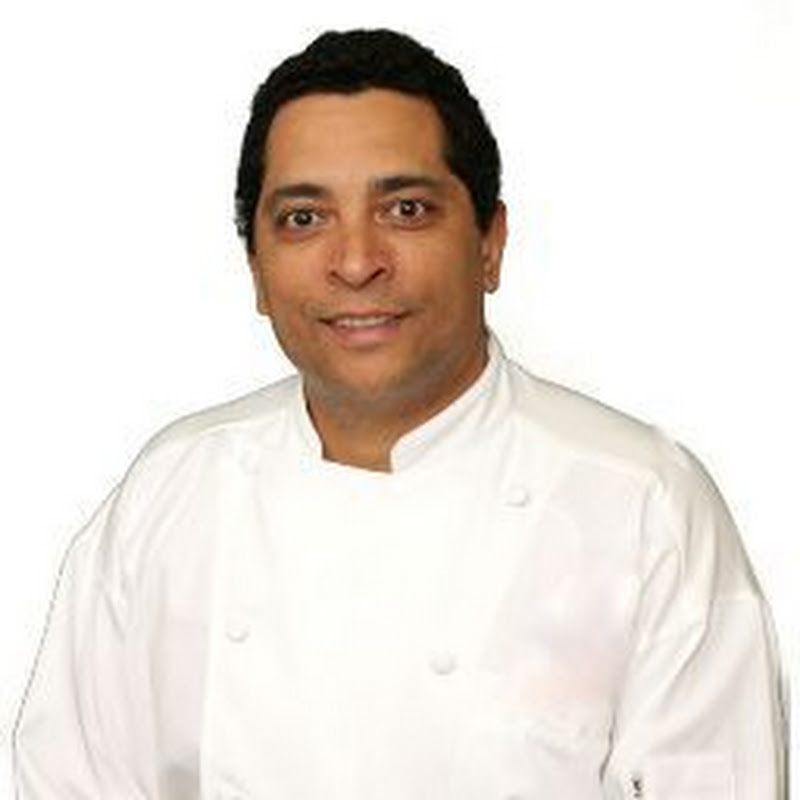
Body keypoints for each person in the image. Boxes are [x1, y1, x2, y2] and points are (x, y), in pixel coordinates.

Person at [14, 28, 785, 800]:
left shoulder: (642, 504)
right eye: (303, 218)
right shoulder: (170, 495)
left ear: (490, 243)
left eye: (406, 209)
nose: (356, 262)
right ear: (256, 268)